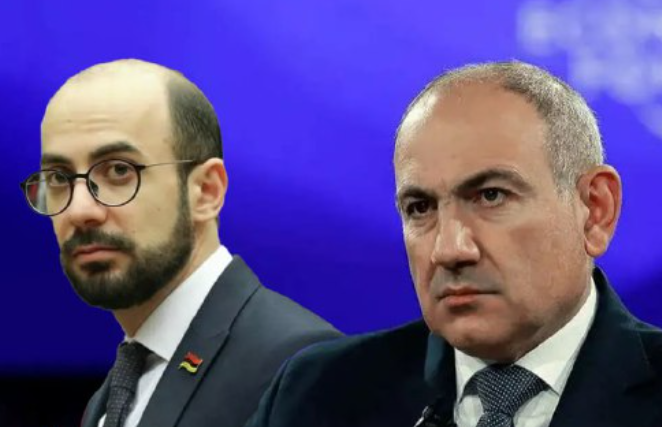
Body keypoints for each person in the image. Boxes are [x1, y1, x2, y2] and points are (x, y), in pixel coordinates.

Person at [246, 60, 662, 427]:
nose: (448, 250)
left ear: (594, 209)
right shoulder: (316, 394)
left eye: (491, 196)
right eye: (420, 208)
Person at [20, 59, 341, 427]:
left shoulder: (302, 366)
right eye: (58, 178)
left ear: (206, 191)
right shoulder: (112, 396)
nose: (79, 210)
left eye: (119, 171)